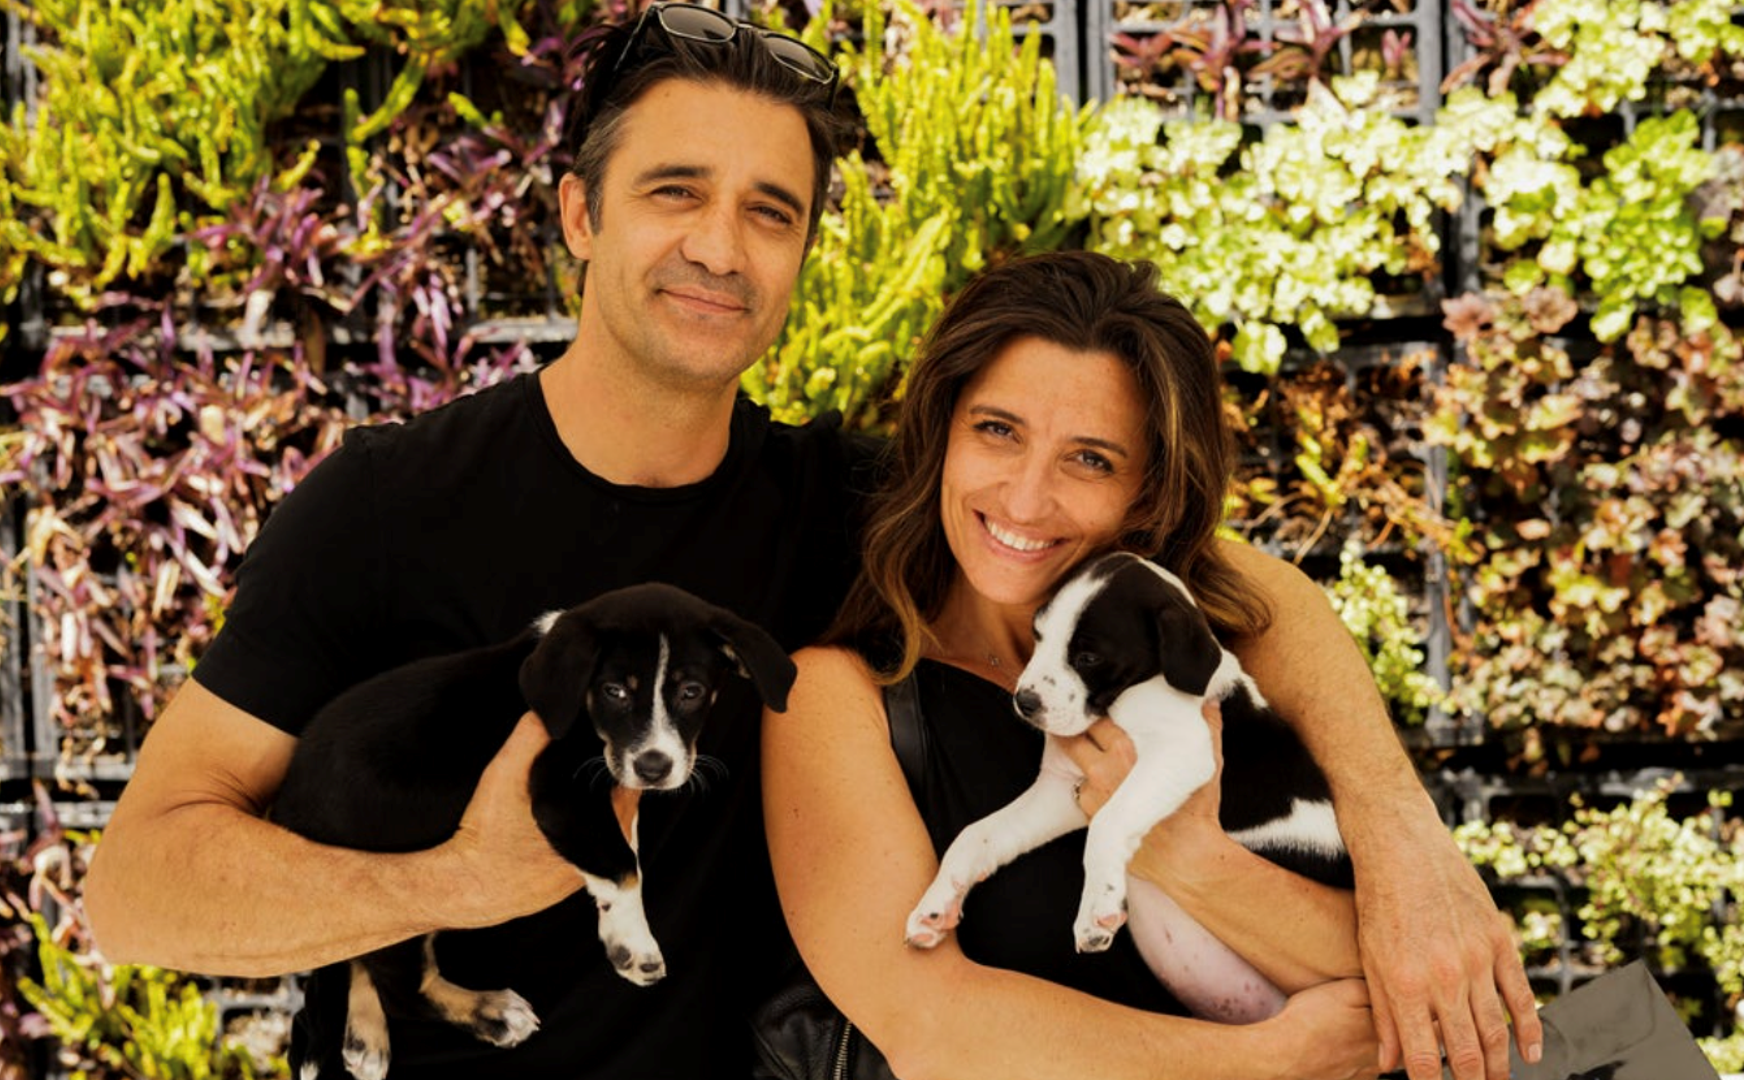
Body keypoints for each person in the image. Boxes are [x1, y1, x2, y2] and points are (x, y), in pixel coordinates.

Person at [79, 5, 1539, 1079]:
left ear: (800, 254)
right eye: (674, 194)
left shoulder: (859, 511)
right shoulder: (388, 506)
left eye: (769, 212)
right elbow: (135, 891)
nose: (721, 246)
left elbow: (1226, 589)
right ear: (578, 215)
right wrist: (453, 883)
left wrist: (1408, 848)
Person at [762, 251, 1530, 1080]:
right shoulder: (840, 700)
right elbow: (933, 1028)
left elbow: (1409, 975)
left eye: (1090, 459)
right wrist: (1269, 1059)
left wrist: (1193, 855)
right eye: (997, 430)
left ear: (1149, 493)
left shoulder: (1196, 646)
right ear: (939, 431)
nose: (1025, 499)